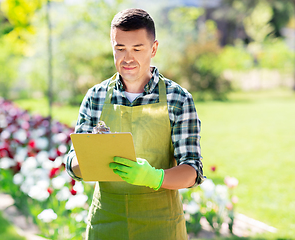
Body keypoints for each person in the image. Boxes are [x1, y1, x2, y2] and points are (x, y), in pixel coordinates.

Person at [65, 8, 204, 240]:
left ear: (154, 48)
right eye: (120, 49)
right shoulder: (95, 97)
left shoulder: (177, 99)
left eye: (137, 49)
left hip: (161, 225)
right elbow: (72, 163)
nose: (127, 58)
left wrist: (154, 177)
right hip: (107, 223)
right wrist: (88, 158)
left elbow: (192, 170)